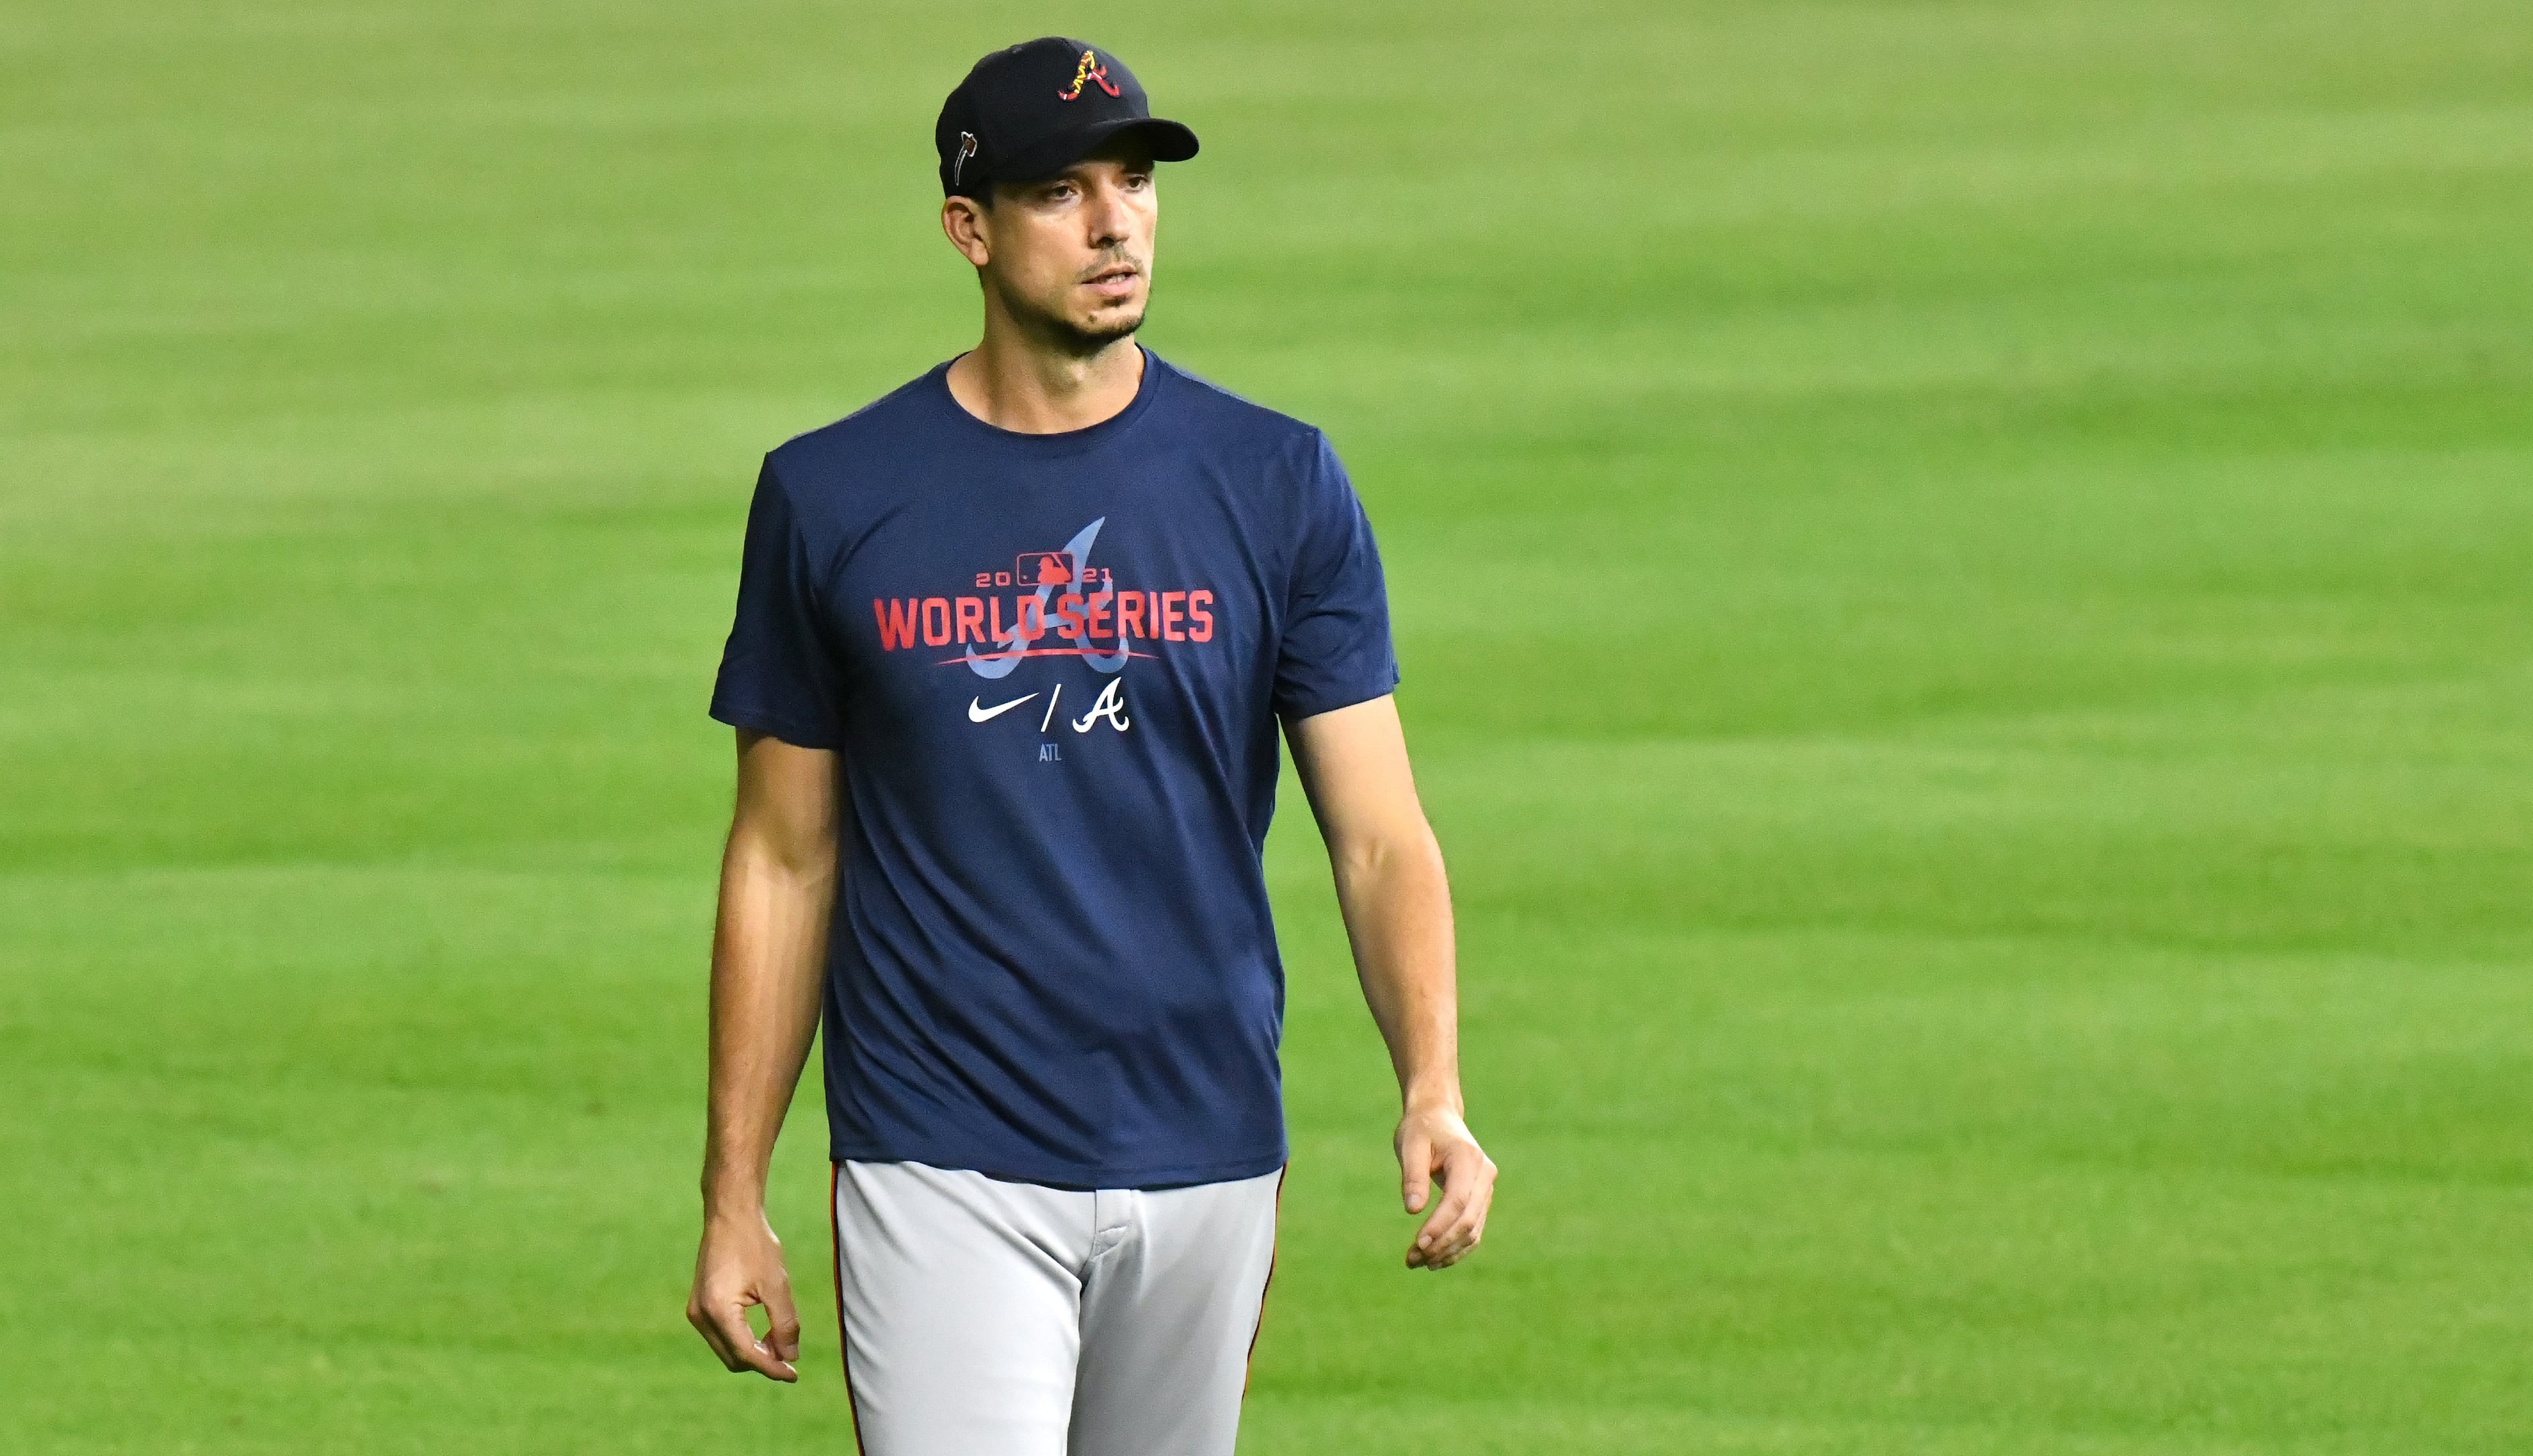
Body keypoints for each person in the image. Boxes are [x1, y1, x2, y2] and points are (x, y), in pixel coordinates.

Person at [683, 36, 1495, 1455]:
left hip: (1210, 1145)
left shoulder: (1277, 482)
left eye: (1134, 181)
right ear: (970, 231)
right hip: (942, 1152)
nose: (1115, 222)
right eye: (1060, 191)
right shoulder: (831, 497)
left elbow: (1377, 834)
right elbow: (782, 861)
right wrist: (731, 1194)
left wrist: (1433, 1085)